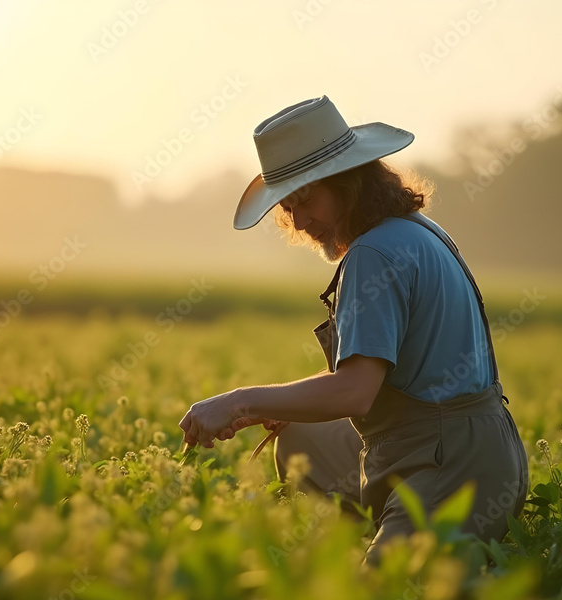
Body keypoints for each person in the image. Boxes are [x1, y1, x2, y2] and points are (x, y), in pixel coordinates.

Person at [178, 95, 528, 565]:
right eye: (288, 207)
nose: (299, 222)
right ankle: (386, 531)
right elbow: (376, 379)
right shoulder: (415, 230)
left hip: (450, 462)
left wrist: (238, 401)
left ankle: (402, 548)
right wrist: (288, 408)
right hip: (484, 447)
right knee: (302, 440)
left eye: (307, 201)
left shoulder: (372, 255)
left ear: (350, 183)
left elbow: (355, 393)